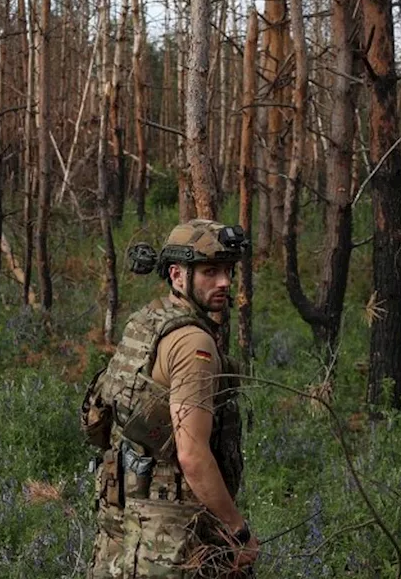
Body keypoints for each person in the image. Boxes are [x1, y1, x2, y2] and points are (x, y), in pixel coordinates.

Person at [83, 219, 258, 578]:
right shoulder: (194, 344)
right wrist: (237, 530)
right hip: (171, 532)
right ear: (178, 275)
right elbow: (192, 454)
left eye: (228, 270)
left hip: (123, 516)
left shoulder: (147, 321)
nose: (225, 281)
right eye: (210, 271)